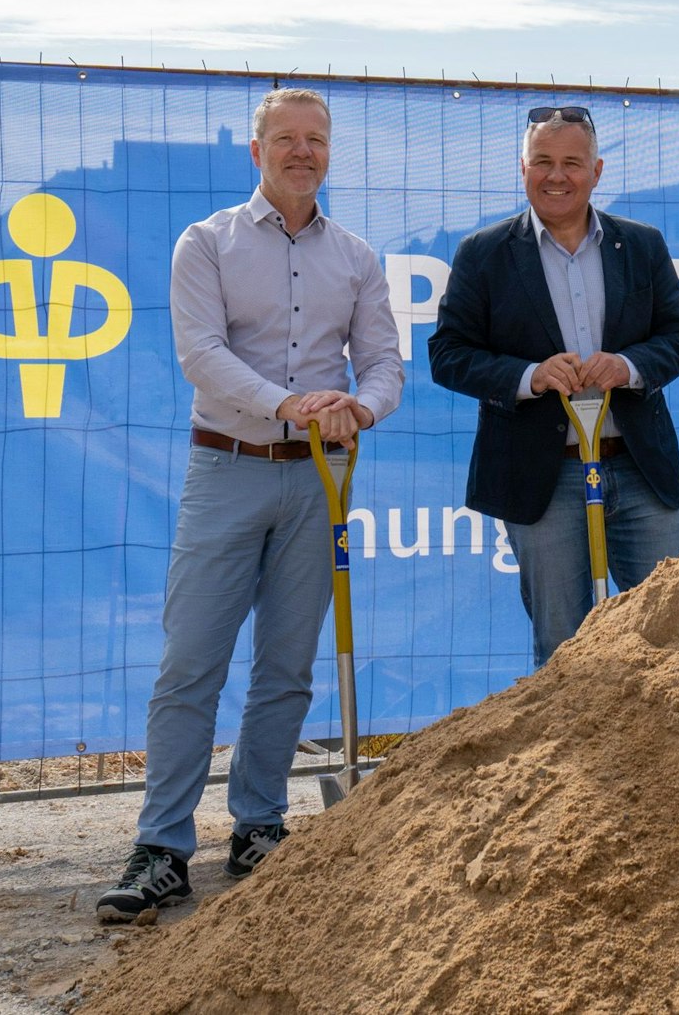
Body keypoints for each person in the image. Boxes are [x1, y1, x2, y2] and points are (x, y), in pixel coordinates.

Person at [98, 88, 404, 922]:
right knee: (190, 661)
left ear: (329, 151)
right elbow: (199, 354)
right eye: (285, 139)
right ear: (256, 149)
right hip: (227, 467)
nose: (301, 152)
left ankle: (259, 829)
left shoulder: (355, 256)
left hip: (319, 478)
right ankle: (162, 846)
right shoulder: (207, 243)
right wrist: (288, 403)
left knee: (285, 667)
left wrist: (361, 409)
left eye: (316, 140)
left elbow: (382, 363)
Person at [429, 106, 679, 663]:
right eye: (543, 162)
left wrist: (627, 367)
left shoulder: (642, 245)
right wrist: (529, 377)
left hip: (641, 470)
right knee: (562, 649)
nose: (557, 175)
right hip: (540, 480)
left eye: (572, 162)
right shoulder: (482, 253)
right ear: (521, 168)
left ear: (597, 171)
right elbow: (448, 355)